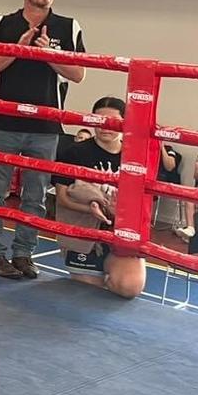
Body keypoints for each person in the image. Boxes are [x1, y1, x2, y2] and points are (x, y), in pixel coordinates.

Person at [0, 0, 85, 280]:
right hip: (4, 121)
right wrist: (18, 50)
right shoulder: (1, 24)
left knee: (35, 195)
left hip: (46, 125)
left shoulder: (69, 26)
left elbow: (78, 74)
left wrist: (47, 54)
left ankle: (24, 254)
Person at [52, 97, 145, 299]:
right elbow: (61, 198)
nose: (106, 127)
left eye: (112, 122)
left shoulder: (136, 156)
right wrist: (90, 208)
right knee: (89, 296)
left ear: (124, 122)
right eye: (100, 120)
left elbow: (145, 204)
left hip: (119, 234)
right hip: (85, 233)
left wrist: (119, 211)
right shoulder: (74, 152)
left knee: (129, 286)